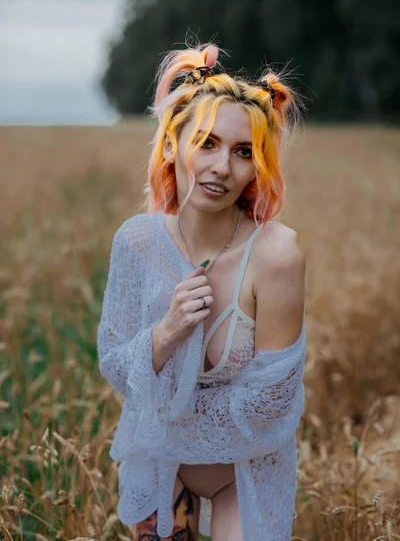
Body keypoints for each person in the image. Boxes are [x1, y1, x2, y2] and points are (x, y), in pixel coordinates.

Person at [97, 41, 307, 541]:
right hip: (159, 462)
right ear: (172, 144)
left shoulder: (277, 254)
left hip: (246, 467)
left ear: (257, 166)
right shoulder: (138, 243)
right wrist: (167, 331)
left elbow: (271, 404)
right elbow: (115, 364)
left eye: (242, 152)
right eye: (207, 143)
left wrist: (169, 410)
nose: (221, 167)